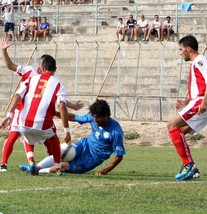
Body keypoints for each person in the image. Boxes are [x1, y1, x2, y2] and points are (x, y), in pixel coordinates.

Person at [0, 38, 84, 172]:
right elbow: (10, 66)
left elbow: (53, 96)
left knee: (38, 138)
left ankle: (43, 162)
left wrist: (72, 105)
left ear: (43, 65)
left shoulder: (48, 80)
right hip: (21, 110)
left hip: (36, 115)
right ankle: (4, 163)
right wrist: (3, 51)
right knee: (15, 135)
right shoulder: (30, 71)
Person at [19, 99, 125, 176]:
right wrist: (53, 113)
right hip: (84, 145)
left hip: (92, 158)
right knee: (61, 152)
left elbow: (119, 156)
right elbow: (73, 117)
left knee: (63, 166)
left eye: (98, 118)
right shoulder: (93, 117)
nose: (95, 120)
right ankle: (33, 168)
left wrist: (104, 171)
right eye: (94, 117)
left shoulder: (116, 132)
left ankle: (38, 171)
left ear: (107, 116)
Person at [167, 35, 207, 181]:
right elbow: (201, 87)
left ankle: (189, 165)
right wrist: (186, 102)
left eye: (181, 49)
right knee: (179, 132)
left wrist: (203, 102)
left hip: (203, 102)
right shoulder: (195, 63)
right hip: (201, 101)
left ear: (188, 48)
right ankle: (190, 167)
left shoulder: (200, 60)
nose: (180, 52)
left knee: (171, 125)